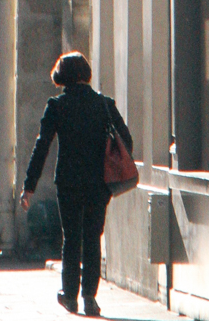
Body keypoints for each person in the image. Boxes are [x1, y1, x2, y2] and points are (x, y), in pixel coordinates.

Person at [20, 51, 134, 317]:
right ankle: (90, 298)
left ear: (62, 76)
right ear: (86, 73)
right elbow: (126, 140)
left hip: (68, 182)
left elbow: (42, 147)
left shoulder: (57, 106)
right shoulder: (104, 105)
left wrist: (29, 186)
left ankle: (70, 296)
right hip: (99, 182)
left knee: (71, 238)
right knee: (93, 238)